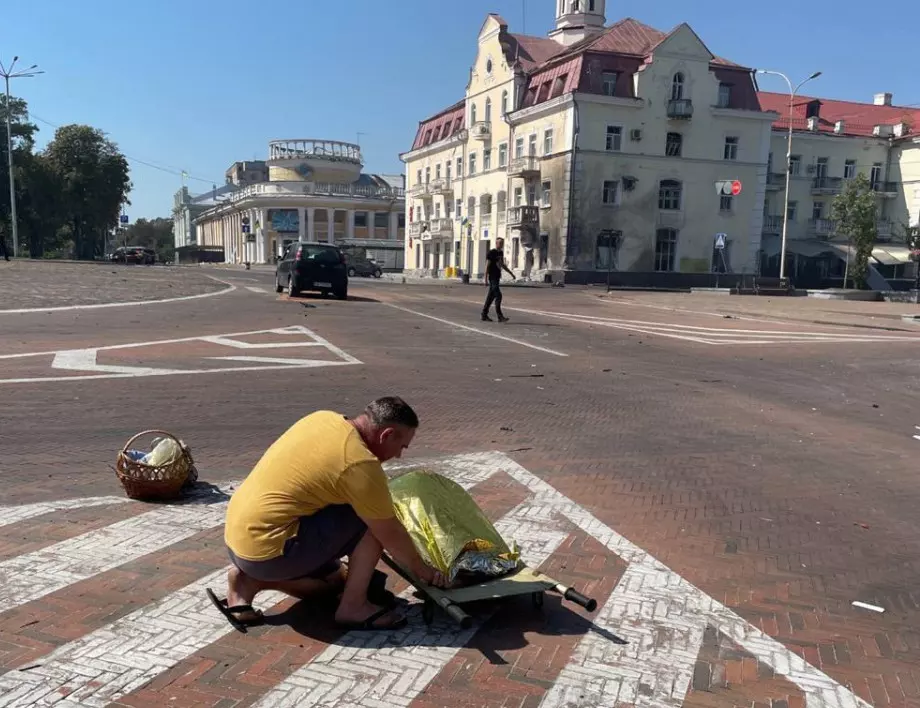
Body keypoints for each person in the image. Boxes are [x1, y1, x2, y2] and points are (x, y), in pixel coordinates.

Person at [209, 397, 448, 632]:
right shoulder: (360, 464)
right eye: (401, 446)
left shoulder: (322, 418)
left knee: (335, 584)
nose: (398, 455)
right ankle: (353, 607)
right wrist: (425, 571)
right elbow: (390, 534)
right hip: (269, 551)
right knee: (373, 522)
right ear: (386, 435)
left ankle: (249, 581)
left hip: (238, 539)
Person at [482, 237, 515, 322]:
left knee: (490, 297)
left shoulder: (500, 252)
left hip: (497, 277)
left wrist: (510, 273)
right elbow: (487, 266)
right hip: (492, 277)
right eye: (499, 243)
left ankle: (484, 314)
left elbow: (501, 264)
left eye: (502, 243)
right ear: (496, 243)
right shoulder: (491, 253)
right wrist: (485, 279)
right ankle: (500, 316)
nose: (501, 245)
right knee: (498, 296)